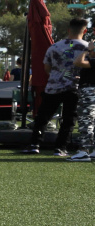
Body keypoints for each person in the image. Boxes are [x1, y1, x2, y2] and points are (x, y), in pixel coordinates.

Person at [26, 17, 89, 156]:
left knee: (43, 118)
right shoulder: (88, 48)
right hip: (75, 88)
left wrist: (58, 75)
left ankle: (34, 145)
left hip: (53, 87)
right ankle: (60, 148)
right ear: (85, 31)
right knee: (68, 120)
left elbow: (47, 68)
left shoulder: (54, 47)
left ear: (68, 30)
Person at [70, 45, 95, 161]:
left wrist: (87, 49)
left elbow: (77, 62)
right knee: (92, 122)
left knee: (86, 121)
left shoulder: (92, 60)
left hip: (90, 92)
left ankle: (84, 151)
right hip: (91, 90)